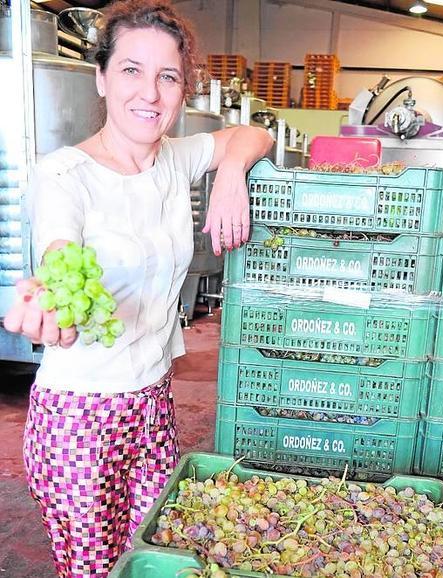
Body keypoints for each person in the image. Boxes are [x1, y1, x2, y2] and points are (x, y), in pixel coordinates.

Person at [3, 1, 273, 577]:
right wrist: (51, 305)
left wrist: (229, 174)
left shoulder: (174, 160)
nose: (149, 93)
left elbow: (253, 134)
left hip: (153, 403)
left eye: (168, 76)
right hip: (80, 417)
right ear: (100, 77)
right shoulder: (62, 176)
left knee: (155, 558)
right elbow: (59, 256)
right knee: (96, 569)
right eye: (131, 70)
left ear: (183, 89)